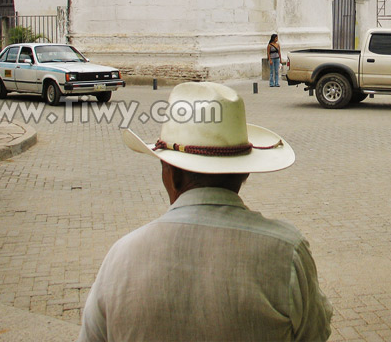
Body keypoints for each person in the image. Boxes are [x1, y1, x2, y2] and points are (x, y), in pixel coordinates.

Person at [79, 82, 333, 342]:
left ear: (171, 175)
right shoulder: (286, 252)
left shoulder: (121, 258)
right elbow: (316, 333)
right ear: (244, 173)